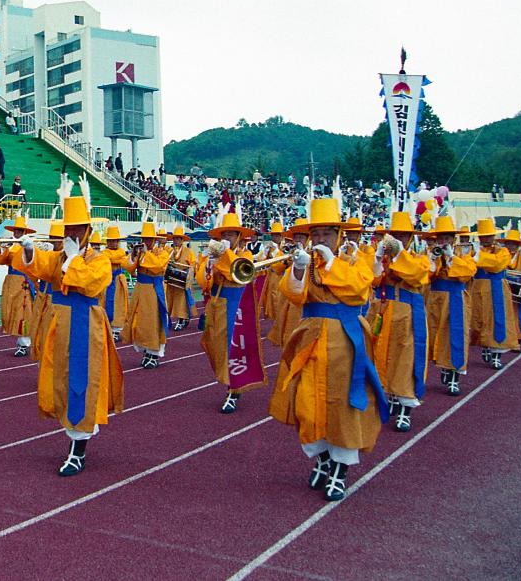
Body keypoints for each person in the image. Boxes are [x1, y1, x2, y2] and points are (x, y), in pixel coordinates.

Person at [267, 198, 388, 501]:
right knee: (308, 403)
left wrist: (331, 263)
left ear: (339, 236)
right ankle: (322, 459)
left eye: (327, 234)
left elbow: (359, 289)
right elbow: (293, 295)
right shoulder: (308, 263)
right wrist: (297, 269)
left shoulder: (352, 262)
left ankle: (340, 469)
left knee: (343, 404)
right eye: (316, 234)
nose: (320, 240)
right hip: (311, 337)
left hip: (345, 341)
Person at [20, 181, 123, 476]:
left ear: (89, 231)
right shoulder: (60, 256)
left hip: (85, 325)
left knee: (82, 380)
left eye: (78, 229)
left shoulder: (100, 260)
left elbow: (90, 282)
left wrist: (72, 260)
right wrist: (29, 251)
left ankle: (78, 448)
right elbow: (41, 266)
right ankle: (75, 432)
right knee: (61, 379)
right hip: (61, 324)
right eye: (69, 229)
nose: (72, 234)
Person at [368, 212, 431, 433]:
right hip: (383, 310)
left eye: (403, 236)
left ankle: (405, 408)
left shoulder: (418, 259)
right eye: (395, 235)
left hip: (407, 313)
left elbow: (416, 276)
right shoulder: (383, 259)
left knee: (406, 358)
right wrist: (377, 259)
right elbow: (371, 280)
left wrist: (399, 255)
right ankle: (389, 395)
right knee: (381, 355)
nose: (398, 239)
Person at [197, 207, 263, 413]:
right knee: (215, 345)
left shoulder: (246, 255)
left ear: (239, 237)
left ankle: (233, 390)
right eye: (224, 234)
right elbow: (203, 282)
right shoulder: (216, 256)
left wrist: (223, 254)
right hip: (217, 303)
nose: (227, 237)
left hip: (238, 304)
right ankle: (229, 383)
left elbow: (236, 272)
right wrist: (208, 262)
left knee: (234, 348)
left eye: (231, 234)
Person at [424, 215, 477, 396]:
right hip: (435, 299)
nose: (443, 241)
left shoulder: (464, 254)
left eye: (447, 238)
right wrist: (433, 258)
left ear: (453, 239)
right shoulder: (430, 252)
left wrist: (451, 257)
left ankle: (454, 375)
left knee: (456, 335)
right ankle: (443, 365)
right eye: (441, 238)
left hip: (455, 298)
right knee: (434, 334)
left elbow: (467, 273)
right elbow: (425, 275)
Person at [468, 218, 518, 370]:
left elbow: (497, 265)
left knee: (498, 320)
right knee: (479, 319)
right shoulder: (473, 250)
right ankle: (485, 345)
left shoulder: (502, 251)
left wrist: (479, 257)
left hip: (497, 288)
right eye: (483, 236)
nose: (486, 239)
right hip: (478, 287)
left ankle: (497, 354)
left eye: (489, 235)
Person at [121, 221, 172, 368]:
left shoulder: (162, 253)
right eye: (145, 239)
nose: (147, 242)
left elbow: (157, 267)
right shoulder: (141, 252)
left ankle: (154, 352)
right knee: (140, 320)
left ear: (155, 240)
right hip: (140, 290)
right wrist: (133, 254)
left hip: (153, 290)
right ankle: (145, 350)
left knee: (153, 321)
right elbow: (129, 268)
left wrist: (145, 254)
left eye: (150, 239)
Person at [0, 213, 39, 357]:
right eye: (15, 231)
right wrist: (3, 248)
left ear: (25, 233)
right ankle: (23, 341)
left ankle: (24, 344)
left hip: (23, 283)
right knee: (10, 312)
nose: (16, 234)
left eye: (19, 231)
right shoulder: (12, 246)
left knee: (23, 313)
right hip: (11, 283)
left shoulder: (29, 246)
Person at [100, 224, 131, 342]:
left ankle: (117, 330)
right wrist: (117, 259)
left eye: (115, 241)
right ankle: (107, 327)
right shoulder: (105, 253)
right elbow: (110, 258)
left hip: (118, 281)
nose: (113, 243)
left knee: (119, 304)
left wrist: (117, 259)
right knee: (106, 303)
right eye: (111, 241)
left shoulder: (121, 251)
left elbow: (123, 260)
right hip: (108, 281)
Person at [165, 225, 198, 331]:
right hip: (172, 281)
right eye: (174, 238)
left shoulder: (188, 252)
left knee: (181, 302)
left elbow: (193, 265)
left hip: (182, 282)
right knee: (170, 301)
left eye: (178, 238)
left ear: (182, 240)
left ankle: (181, 320)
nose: (176, 241)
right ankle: (169, 320)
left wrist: (187, 273)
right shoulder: (170, 251)